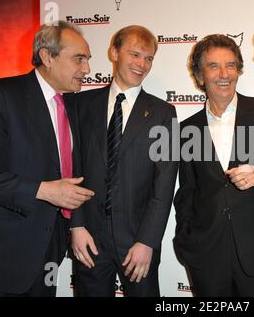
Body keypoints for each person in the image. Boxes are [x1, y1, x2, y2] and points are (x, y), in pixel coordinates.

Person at [173, 34, 254, 297]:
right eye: (214, 66)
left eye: (231, 65)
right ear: (199, 75)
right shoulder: (187, 130)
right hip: (207, 257)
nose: (224, 74)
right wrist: (186, 237)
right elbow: (188, 190)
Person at [0, 20, 94, 296]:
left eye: (88, 60)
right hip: (2, 258)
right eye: (79, 59)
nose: (87, 69)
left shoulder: (74, 105)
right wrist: (43, 190)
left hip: (49, 253)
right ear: (47, 57)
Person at [70, 25, 178, 297]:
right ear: (114, 52)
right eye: (135, 54)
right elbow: (72, 167)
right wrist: (76, 224)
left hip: (137, 242)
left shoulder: (164, 113)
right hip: (89, 239)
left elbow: (164, 184)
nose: (142, 64)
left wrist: (147, 241)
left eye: (149, 58)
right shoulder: (80, 105)